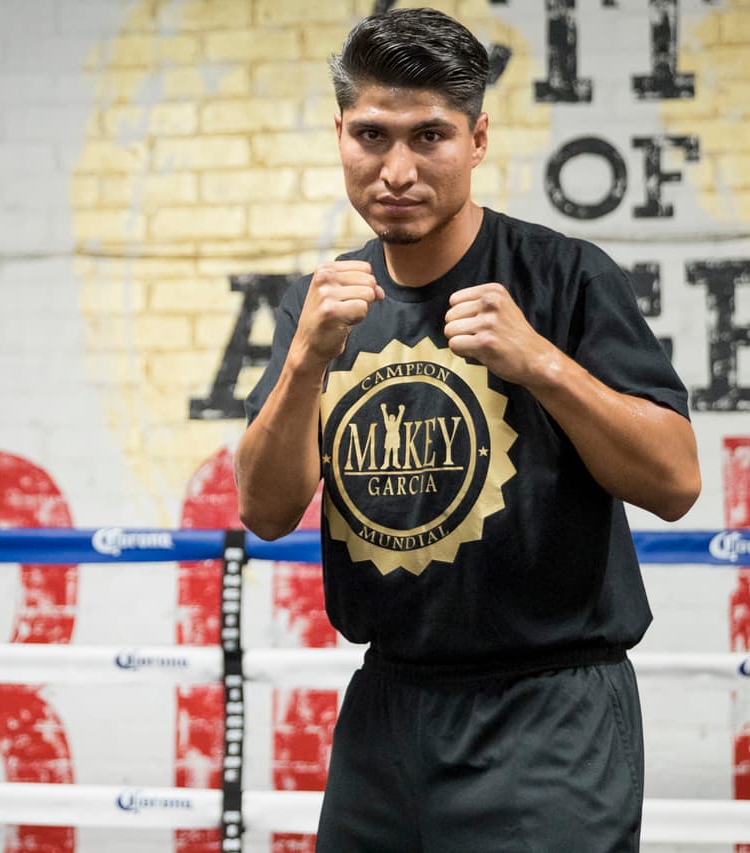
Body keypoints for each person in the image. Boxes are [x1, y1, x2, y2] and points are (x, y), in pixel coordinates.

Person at [235, 8, 700, 852]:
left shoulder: (564, 276)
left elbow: (674, 482)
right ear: (340, 133)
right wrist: (306, 358)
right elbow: (265, 510)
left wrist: (542, 364)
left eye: (430, 137)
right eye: (373, 135)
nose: (398, 169)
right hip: (387, 708)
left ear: (478, 138)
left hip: (548, 710)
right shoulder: (326, 307)